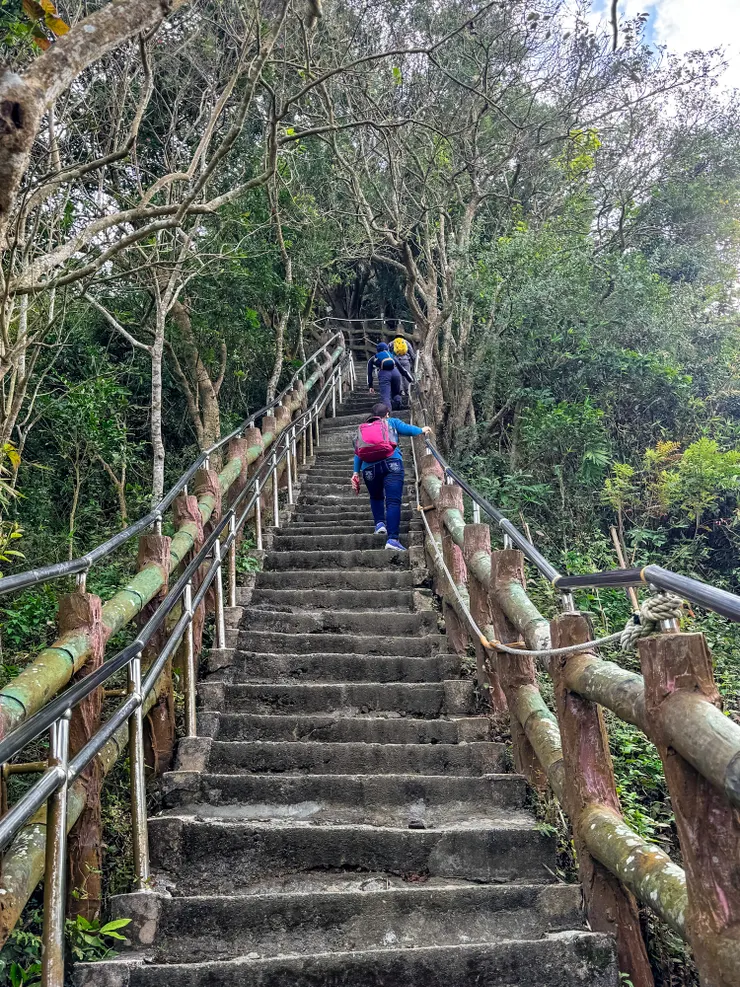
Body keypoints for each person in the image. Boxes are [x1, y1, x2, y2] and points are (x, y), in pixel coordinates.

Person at [351, 402, 432, 551]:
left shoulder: (363, 429)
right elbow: (407, 430)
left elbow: (358, 453)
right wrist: (422, 429)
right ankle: (392, 539)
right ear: (387, 414)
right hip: (392, 463)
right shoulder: (391, 422)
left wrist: (356, 472)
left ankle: (380, 524)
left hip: (369, 469)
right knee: (393, 502)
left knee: (375, 497)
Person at [367, 341, 412, 411]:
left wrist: (370, 386)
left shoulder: (373, 358)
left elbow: (369, 373)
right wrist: (410, 380)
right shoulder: (391, 355)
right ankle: (398, 405)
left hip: (384, 374)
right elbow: (402, 370)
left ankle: (387, 413)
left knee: (385, 396)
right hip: (395, 373)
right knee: (396, 393)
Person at [391, 336, 416, 402]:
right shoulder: (406, 342)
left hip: (396, 361)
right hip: (405, 360)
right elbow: (411, 352)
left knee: (398, 376)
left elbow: (388, 352)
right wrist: (414, 360)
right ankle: (408, 390)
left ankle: (401, 390)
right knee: (406, 375)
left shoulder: (392, 343)